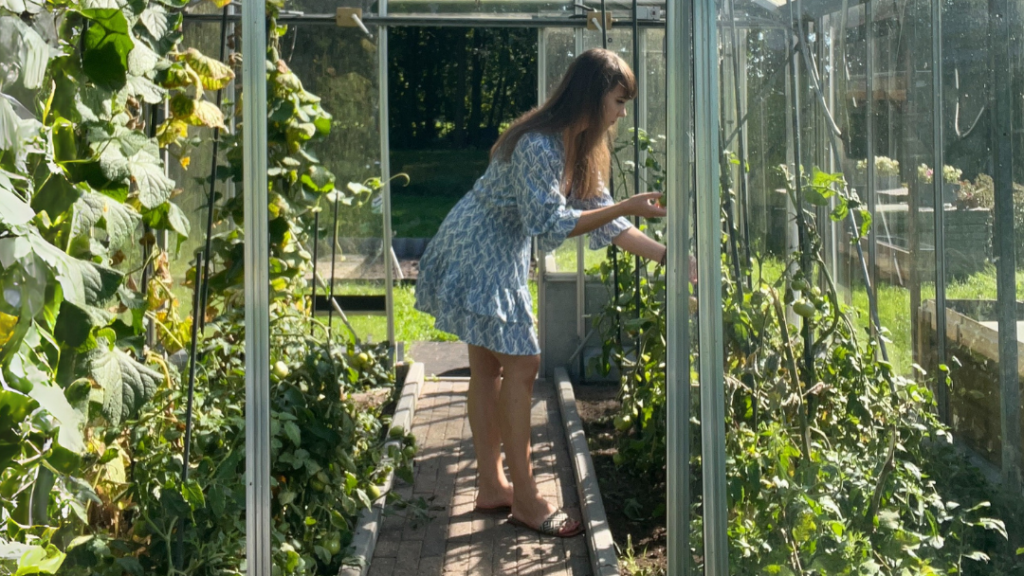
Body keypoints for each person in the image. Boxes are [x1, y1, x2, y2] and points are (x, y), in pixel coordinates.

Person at [414, 48, 668, 539]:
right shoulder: (539, 145)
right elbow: (548, 224)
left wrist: (667, 256)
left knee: (490, 368)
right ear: (592, 97)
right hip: (478, 246)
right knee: (523, 365)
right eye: (618, 101)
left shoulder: (580, 145)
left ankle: (492, 486)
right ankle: (526, 498)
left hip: (496, 248)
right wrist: (626, 205)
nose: (621, 113)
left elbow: (604, 223)